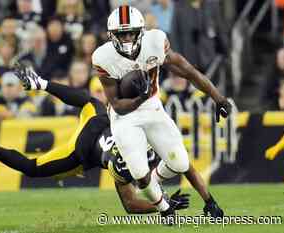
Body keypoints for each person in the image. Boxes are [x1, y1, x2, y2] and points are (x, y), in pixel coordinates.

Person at [0, 64, 223, 216]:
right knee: (32, 168)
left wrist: (161, 202)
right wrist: (160, 204)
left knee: (91, 102)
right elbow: (130, 205)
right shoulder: (127, 165)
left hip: (97, 123)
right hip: (83, 151)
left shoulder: (133, 141)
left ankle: (39, 85)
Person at [92, 5, 231, 217]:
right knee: (139, 171)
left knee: (180, 162)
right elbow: (117, 104)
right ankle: (165, 210)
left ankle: (197, 199)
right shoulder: (103, 57)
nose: (127, 38)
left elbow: (189, 72)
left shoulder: (154, 42)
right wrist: (141, 97)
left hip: (153, 108)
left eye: (131, 33)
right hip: (124, 117)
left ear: (141, 31)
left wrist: (218, 98)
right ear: (112, 35)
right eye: (122, 34)